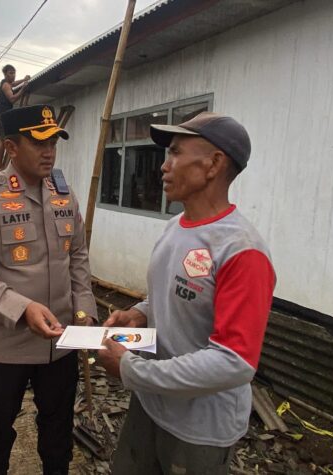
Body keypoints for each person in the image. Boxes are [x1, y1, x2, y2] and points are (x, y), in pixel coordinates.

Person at [97, 113, 275, 474]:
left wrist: (131, 370)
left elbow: (234, 363)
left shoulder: (242, 251)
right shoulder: (176, 227)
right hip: (151, 406)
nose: (164, 166)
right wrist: (140, 314)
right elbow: (167, 293)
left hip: (200, 430)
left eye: (176, 153)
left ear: (213, 164)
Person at [0, 105, 98, 475]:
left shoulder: (65, 195)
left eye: (52, 141)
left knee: (57, 430)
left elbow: (78, 257)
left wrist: (84, 311)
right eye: (38, 142)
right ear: (11, 148)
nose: (49, 150)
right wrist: (22, 308)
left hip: (61, 343)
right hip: (8, 345)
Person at [0, 65, 30, 169]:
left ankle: (0, 163)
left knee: (4, 139)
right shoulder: (5, 85)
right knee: (2, 140)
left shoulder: (7, 83)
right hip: (2, 116)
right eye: (10, 73)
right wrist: (23, 89)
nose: (13, 75)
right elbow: (12, 99)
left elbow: (13, 83)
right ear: (5, 74)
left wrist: (23, 79)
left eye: (14, 73)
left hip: (2, 115)